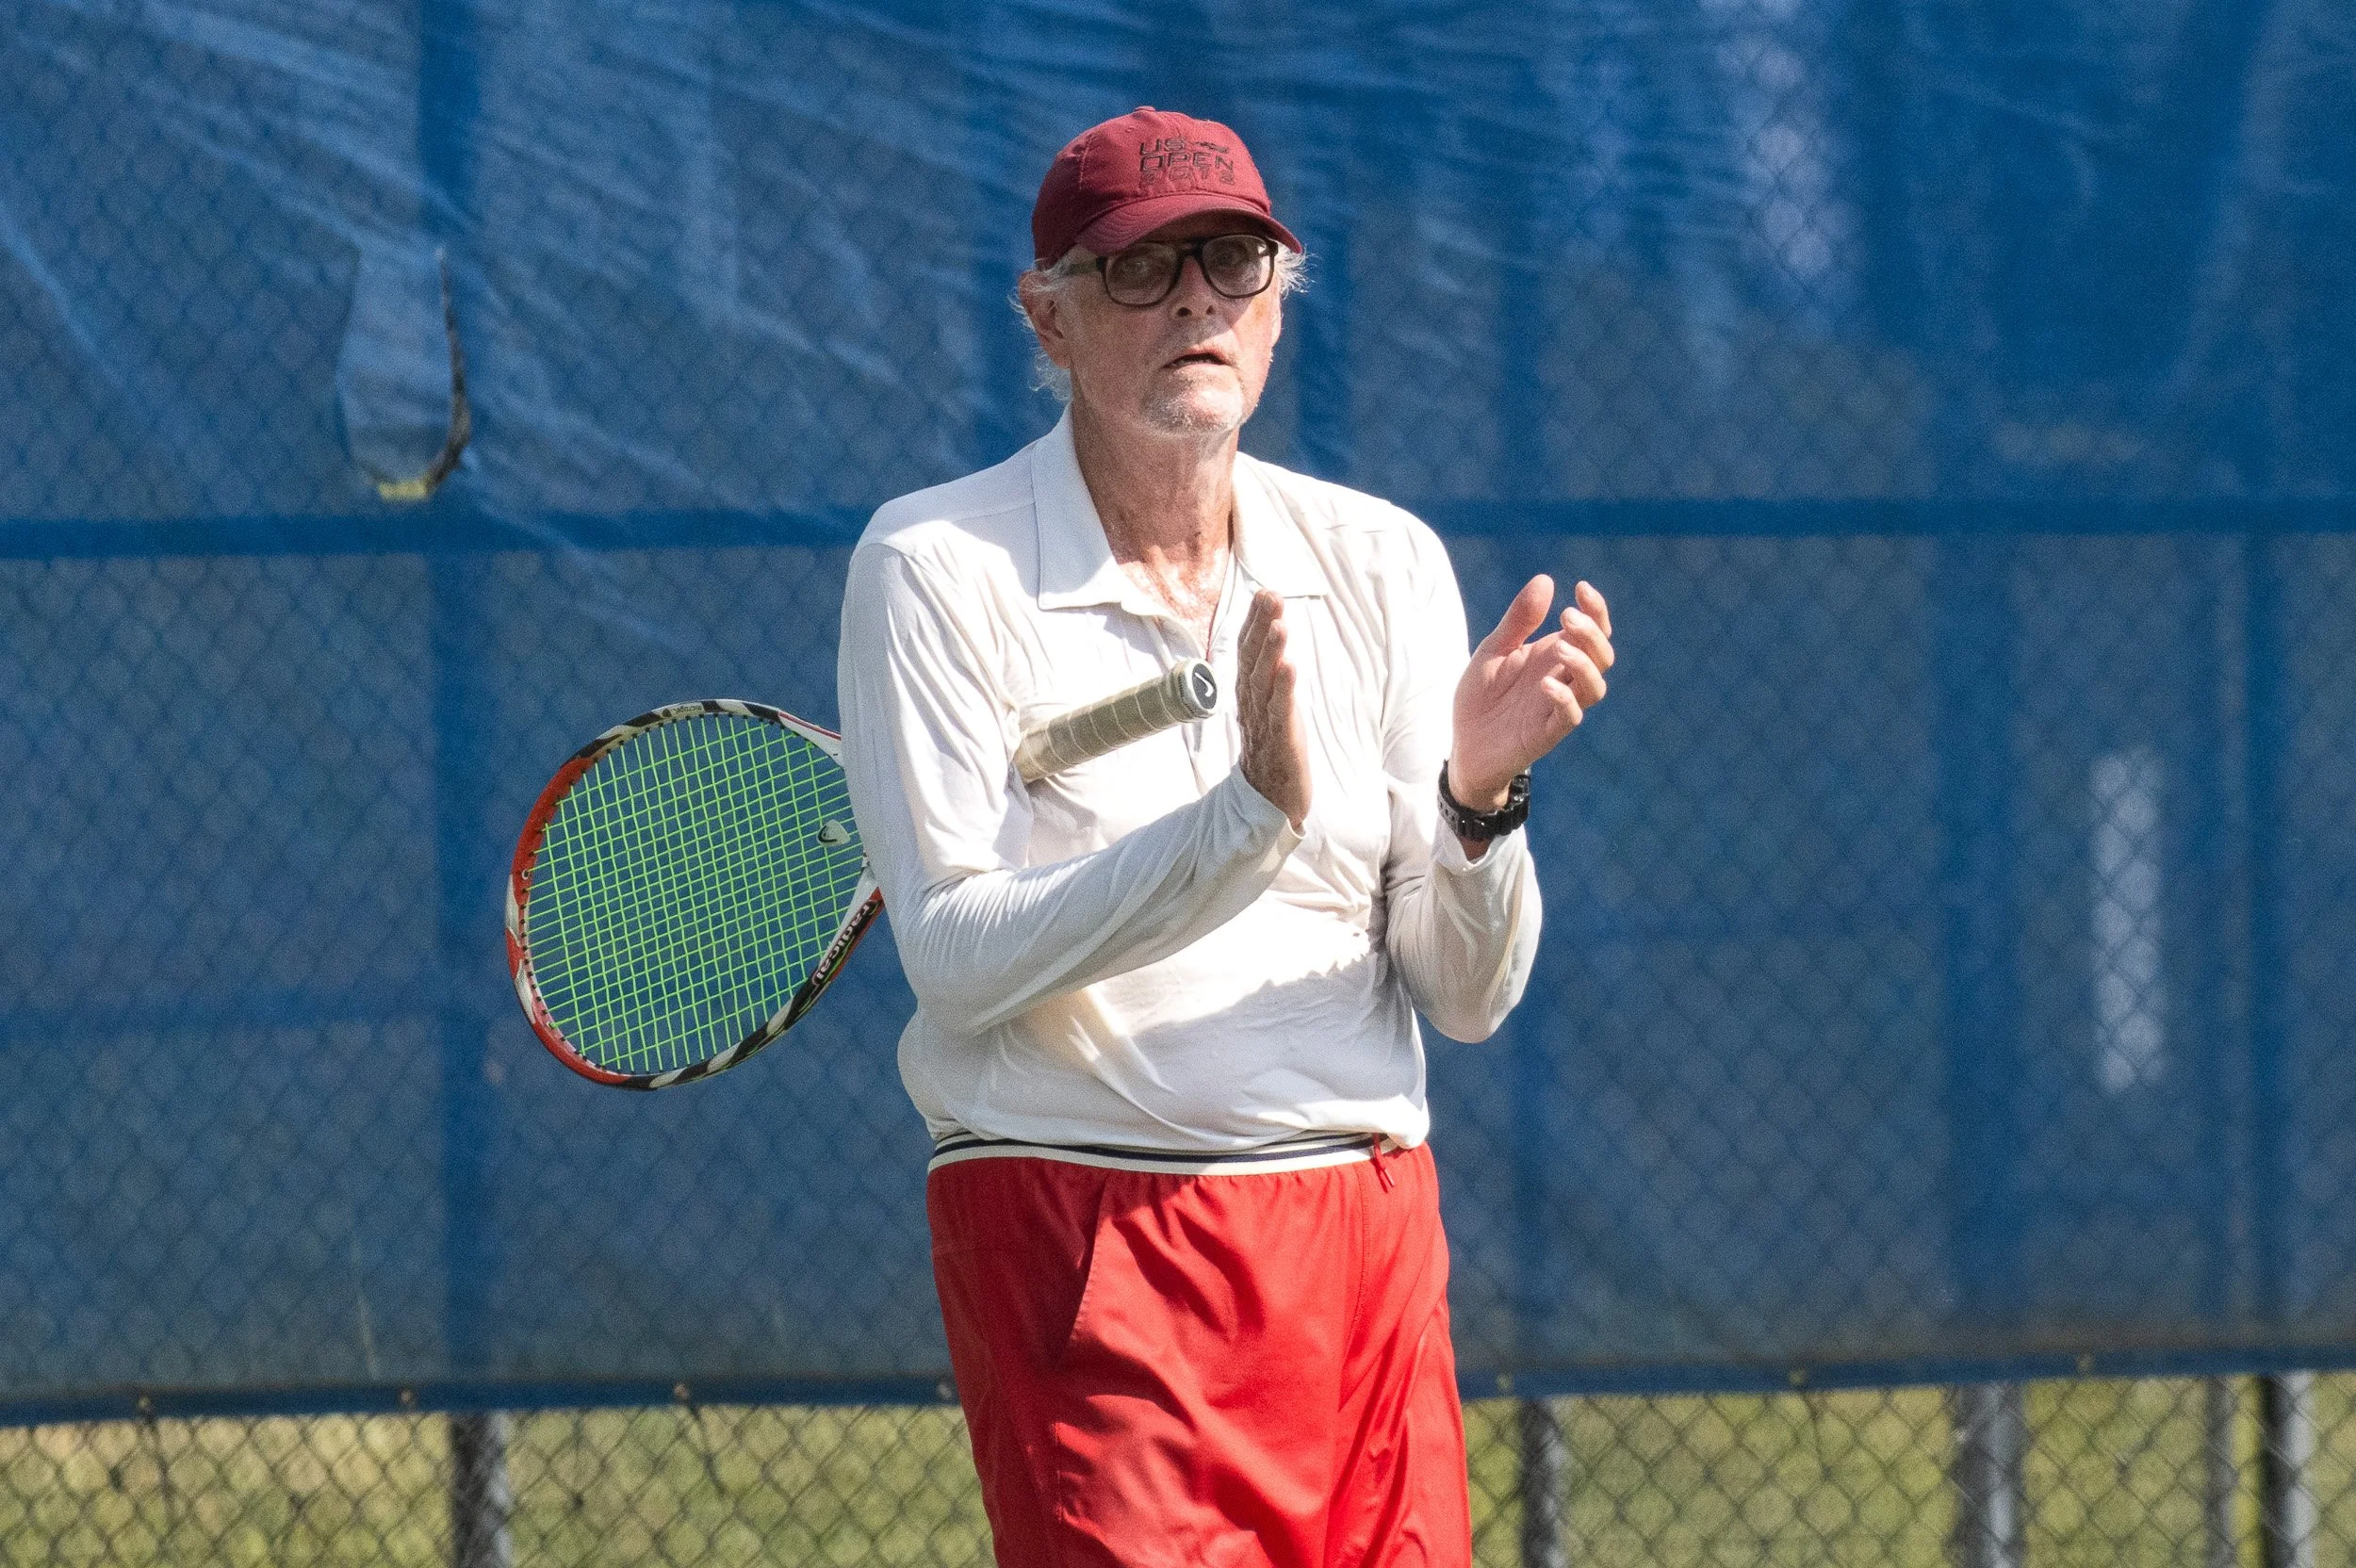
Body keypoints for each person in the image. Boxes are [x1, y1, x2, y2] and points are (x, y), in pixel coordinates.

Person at [837, 106, 1614, 1568]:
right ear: (1049, 319)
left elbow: (1466, 998)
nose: (1197, 300)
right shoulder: (932, 565)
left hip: (1370, 1241)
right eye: (1142, 268)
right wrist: (1240, 824)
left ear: (1276, 307)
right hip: (1088, 1230)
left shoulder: (1384, 560)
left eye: (1235, 264)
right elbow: (953, 956)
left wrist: (1477, 802)